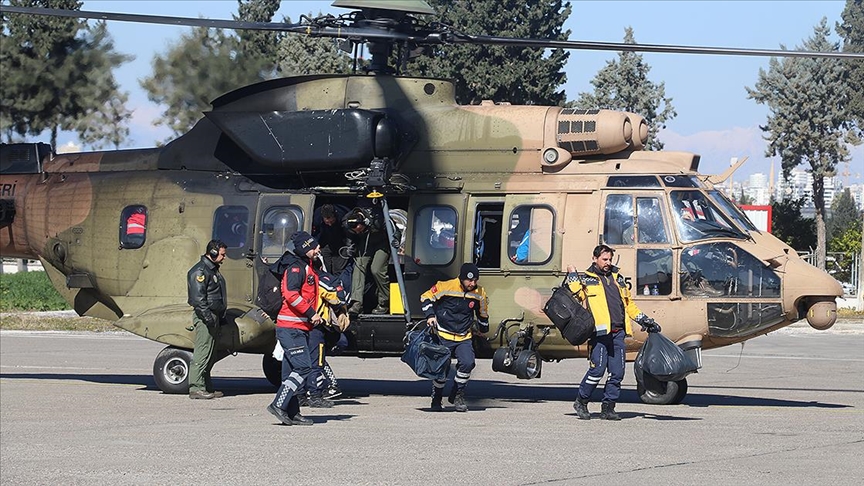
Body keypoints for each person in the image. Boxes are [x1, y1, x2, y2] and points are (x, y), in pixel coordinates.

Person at [566, 244, 660, 420]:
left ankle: (608, 407)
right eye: (604, 259)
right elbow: (575, 294)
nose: (608, 263)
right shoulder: (587, 279)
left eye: (610, 259)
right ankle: (581, 401)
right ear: (595, 259)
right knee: (597, 371)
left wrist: (645, 320)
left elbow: (629, 304)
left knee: (617, 373)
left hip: (618, 333)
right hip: (599, 334)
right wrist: (572, 273)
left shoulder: (618, 278)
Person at [267, 231, 325, 426]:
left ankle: (293, 412)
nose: (318, 249)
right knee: (303, 367)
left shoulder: (307, 266)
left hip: (299, 326)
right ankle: (278, 404)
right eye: (314, 246)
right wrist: (311, 313)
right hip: (291, 327)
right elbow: (291, 295)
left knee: (289, 372)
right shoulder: (295, 268)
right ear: (305, 249)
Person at [420, 262, 489, 412]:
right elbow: (426, 297)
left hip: (463, 336)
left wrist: (484, 328)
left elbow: (483, 312)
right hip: (443, 334)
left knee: (468, 363)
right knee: (441, 368)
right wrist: (430, 315)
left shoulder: (479, 293)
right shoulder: (446, 286)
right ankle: (436, 398)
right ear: (461, 278)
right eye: (469, 280)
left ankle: (457, 394)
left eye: (475, 280)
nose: (473, 284)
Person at [186, 239, 228, 400]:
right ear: (213, 253)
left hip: (214, 315)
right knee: (202, 352)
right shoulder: (200, 272)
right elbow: (198, 299)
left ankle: (206, 386)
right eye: (222, 254)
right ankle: (196, 387)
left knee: (210, 353)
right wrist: (207, 317)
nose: (224, 258)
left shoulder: (212, 270)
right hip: (206, 316)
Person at [343, 206, 390, 315]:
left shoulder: (377, 218)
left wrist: (395, 240)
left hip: (382, 242)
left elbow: (393, 228)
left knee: (376, 269)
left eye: (360, 229)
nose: (358, 232)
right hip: (366, 243)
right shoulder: (347, 223)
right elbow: (350, 236)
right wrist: (350, 246)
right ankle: (356, 303)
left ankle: (384, 303)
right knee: (359, 266)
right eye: (356, 231)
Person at [312, 204, 350, 277]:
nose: (329, 224)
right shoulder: (317, 217)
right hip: (326, 242)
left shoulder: (343, 215)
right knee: (326, 268)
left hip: (341, 242)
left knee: (338, 269)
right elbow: (316, 232)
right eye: (327, 222)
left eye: (332, 222)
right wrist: (316, 244)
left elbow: (349, 232)